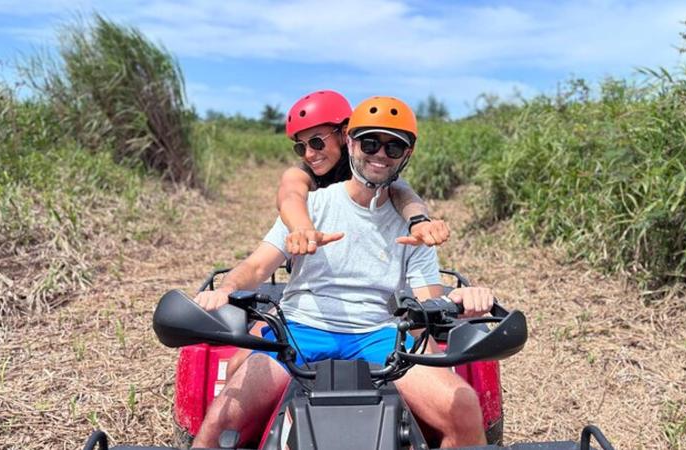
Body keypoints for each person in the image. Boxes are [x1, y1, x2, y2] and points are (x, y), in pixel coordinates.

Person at [192, 96, 493, 448]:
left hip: (379, 335)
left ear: (407, 154)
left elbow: (428, 304)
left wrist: (457, 301)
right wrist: (224, 289)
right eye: (370, 143)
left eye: (393, 147)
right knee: (220, 421)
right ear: (350, 142)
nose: (380, 155)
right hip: (300, 329)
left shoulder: (415, 228)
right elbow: (256, 266)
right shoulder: (312, 205)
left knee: (464, 408)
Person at [278, 90, 450, 255]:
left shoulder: (364, 162)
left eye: (316, 142)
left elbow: (401, 190)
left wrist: (419, 221)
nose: (308, 154)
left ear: (344, 134)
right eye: (300, 147)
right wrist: (302, 228)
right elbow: (291, 194)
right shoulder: (302, 172)